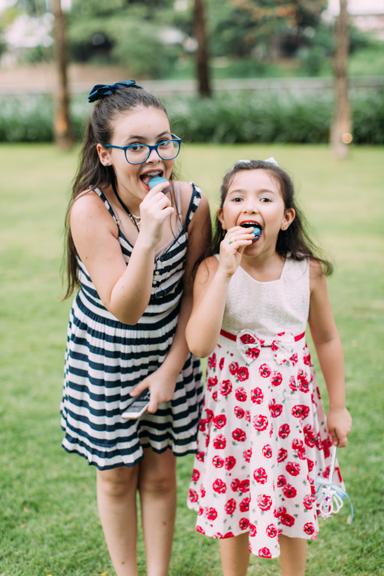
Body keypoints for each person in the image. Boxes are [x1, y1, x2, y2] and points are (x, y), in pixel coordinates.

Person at [60, 80, 211, 576]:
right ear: (105, 153)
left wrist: (172, 368)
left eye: (164, 142)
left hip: (170, 353)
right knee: (118, 477)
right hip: (108, 360)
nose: (155, 158)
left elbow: (194, 291)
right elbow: (125, 307)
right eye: (136, 146)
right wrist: (146, 237)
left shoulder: (193, 204)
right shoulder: (89, 210)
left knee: (163, 475)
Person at [186, 159, 352, 576]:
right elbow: (200, 345)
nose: (250, 206)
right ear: (224, 217)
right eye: (237, 198)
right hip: (233, 412)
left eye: (265, 198)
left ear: (286, 216)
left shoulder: (306, 271)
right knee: (234, 498)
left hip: (289, 410)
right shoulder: (211, 270)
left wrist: (338, 406)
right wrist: (225, 271)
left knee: (293, 499)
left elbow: (327, 339)